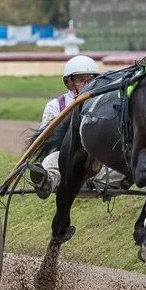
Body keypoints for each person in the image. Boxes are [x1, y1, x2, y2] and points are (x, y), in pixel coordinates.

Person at [29, 55, 99, 199]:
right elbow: (47, 140)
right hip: (66, 159)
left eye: (90, 79)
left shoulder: (101, 103)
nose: (86, 84)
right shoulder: (55, 105)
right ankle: (46, 181)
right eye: (80, 80)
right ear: (68, 82)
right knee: (52, 160)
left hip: (95, 158)